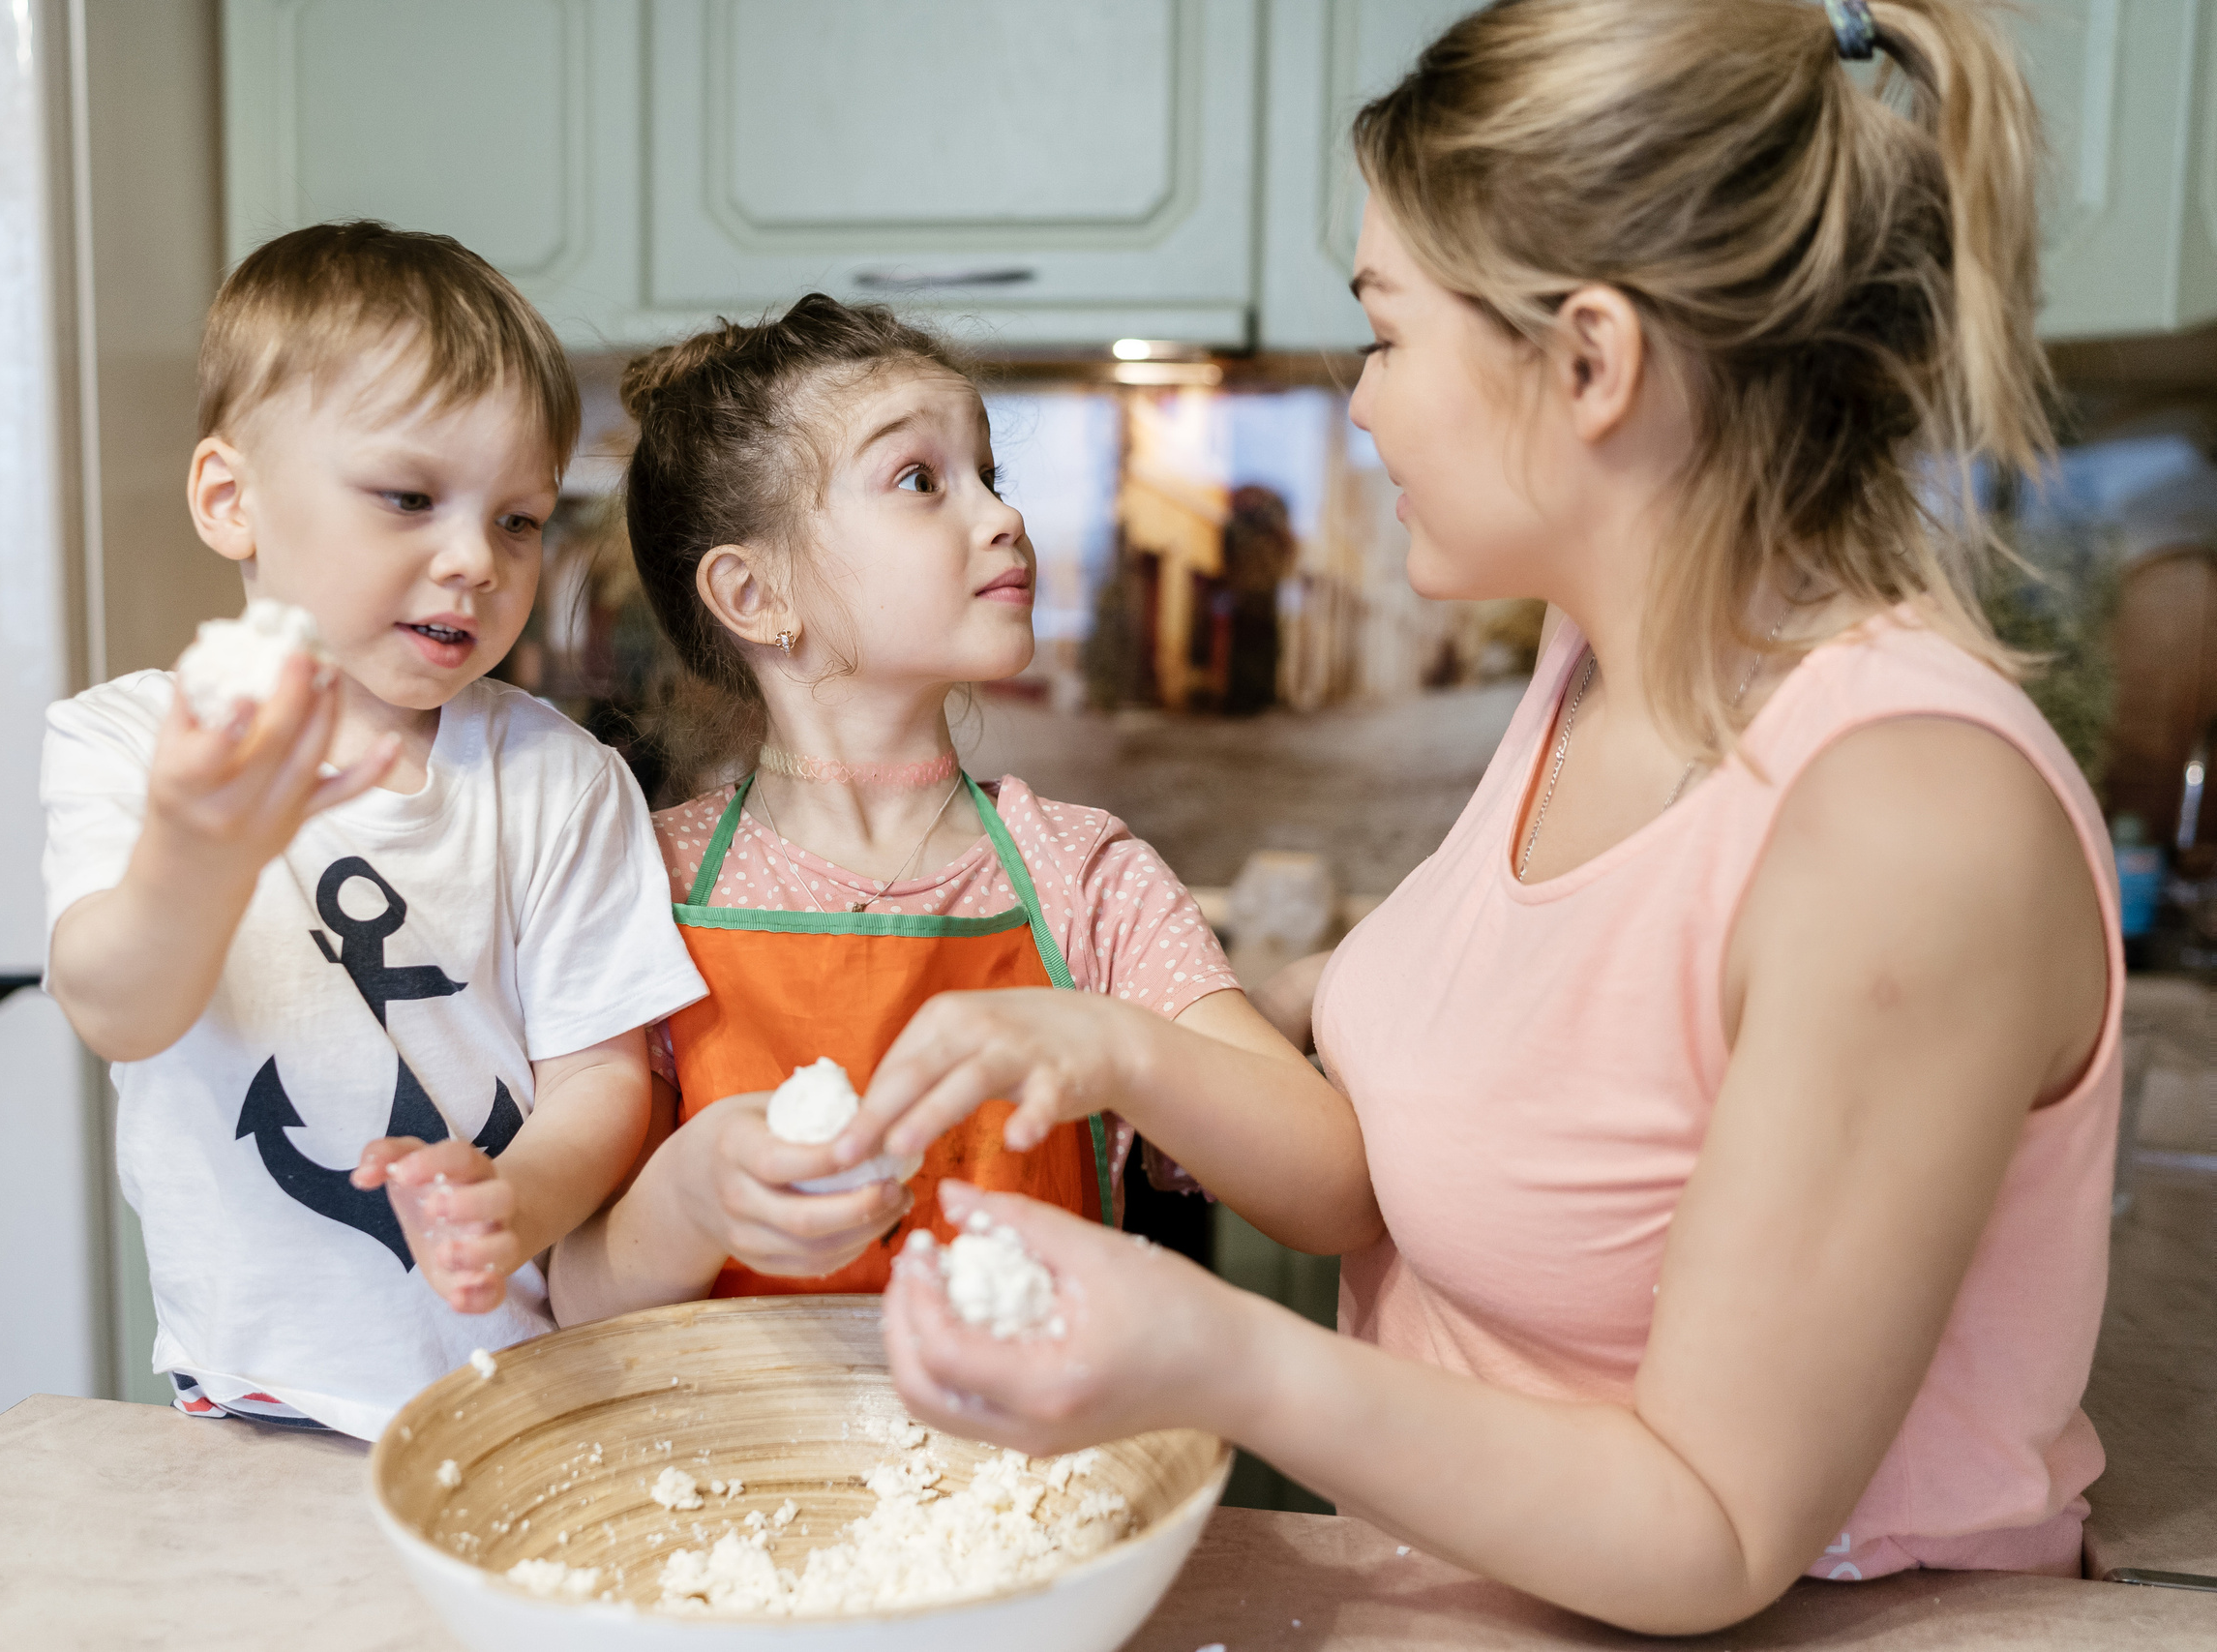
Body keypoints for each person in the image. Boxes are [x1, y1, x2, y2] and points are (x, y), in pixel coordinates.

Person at [855, 0, 2119, 1635]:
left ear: (1590, 362)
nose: (1361, 404)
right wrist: (1177, 1027)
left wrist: (1211, 1349)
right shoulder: (1600, 662)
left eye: (1387, 333)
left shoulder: (1909, 819)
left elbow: (1711, 1524)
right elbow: (1565, 1019)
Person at [517, 294, 1369, 1319]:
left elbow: (1334, 1194)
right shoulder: (644, 883)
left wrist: (1117, 1048)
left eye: (989, 476)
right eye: (920, 479)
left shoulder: (1083, 876)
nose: (1005, 518)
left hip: (1027, 1430)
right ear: (754, 595)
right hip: (736, 1429)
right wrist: (692, 1200)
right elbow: (582, 1299)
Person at [39, 223, 704, 1439]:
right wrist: (199, 849)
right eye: (409, 498)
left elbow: (603, 1080)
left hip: (510, 1399)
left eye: (518, 520)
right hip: (245, 1402)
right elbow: (117, 1009)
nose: (474, 561)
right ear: (231, 499)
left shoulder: (559, 783)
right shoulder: (128, 746)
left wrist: (516, 1198)